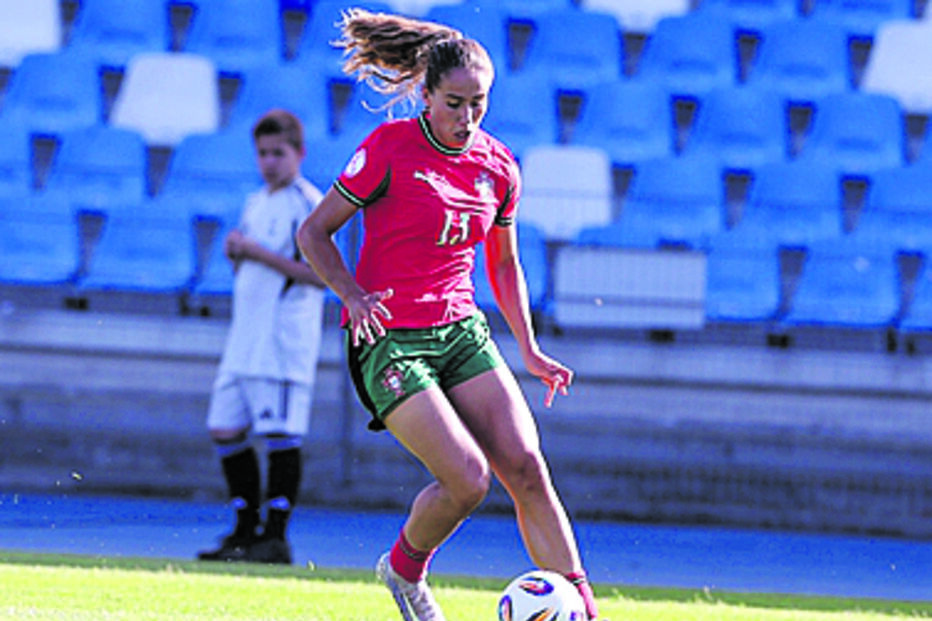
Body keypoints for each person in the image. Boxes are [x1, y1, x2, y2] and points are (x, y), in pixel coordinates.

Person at [296, 9, 600, 620]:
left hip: (460, 332)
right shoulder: (388, 148)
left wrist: (530, 348)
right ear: (427, 95)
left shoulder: (499, 166)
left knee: (526, 466)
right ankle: (405, 572)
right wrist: (352, 295)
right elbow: (314, 233)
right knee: (467, 479)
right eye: (454, 103)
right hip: (389, 340)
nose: (466, 118)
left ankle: (585, 612)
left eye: (478, 104)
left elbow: (505, 265)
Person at [197, 109, 327, 565]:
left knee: (280, 433)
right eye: (263, 153)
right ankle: (243, 529)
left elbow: (321, 275)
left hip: (281, 343)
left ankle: (275, 536)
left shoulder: (309, 204)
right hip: (244, 339)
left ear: (299, 153)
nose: (270, 162)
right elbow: (254, 266)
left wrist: (256, 252)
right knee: (225, 428)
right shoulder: (255, 202)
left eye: (279, 153)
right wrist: (239, 253)